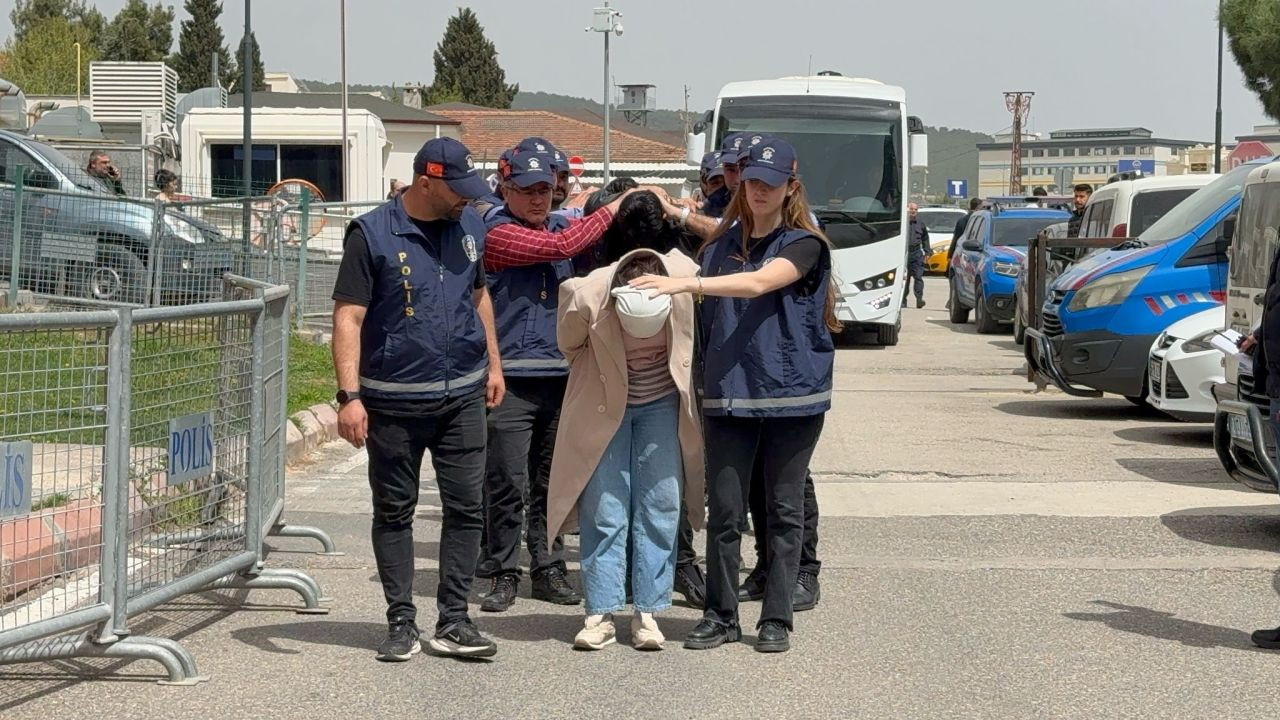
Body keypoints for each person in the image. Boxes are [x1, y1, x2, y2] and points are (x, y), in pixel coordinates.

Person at [630, 138, 837, 654]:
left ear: (791, 187)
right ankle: (720, 616)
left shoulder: (804, 244)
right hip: (728, 396)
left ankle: (776, 618)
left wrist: (686, 286)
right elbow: (701, 319)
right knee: (724, 513)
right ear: (740, 186)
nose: (760, 191)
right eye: (752, 182)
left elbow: (760, 284)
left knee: (782, 510)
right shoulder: (719, 248)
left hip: (791, 400)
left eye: (770, 182)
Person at [330, 137, 504, 662]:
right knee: (395, 512)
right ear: (425, 181)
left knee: (468, 508)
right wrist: (349, 396)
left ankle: (454, 620)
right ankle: (401, 621)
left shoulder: (470, 224)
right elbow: (349, 317)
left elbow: (479, 295)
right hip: (394, 403)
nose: (466, 201)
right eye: (457, 190)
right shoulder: (372, 234)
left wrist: (494, 365)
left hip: (462, 396)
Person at [476, 145, 639, 613]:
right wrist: (613, 206)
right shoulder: (498, 232)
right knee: (507, 482)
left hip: (562, 376)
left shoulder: (566, 225)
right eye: (526, 190)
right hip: (510, 379)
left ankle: (548, 567)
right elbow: (561, 248)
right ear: (505, 189)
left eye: (545, 189)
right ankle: (505, 571)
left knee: (554, 481)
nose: (538, 199)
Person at [547, 227, 705, 651]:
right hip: (604, 404)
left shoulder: (681, 284)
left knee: (661, 504)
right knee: (605, 506)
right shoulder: (589, 296)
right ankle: (599, 612)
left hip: (661, 405)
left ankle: (648, 612)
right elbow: (568, 344)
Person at [904, 202, 931, 308]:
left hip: (916, 254)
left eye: (915, 209)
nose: (913, 211)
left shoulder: (921, 223)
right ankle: (903, 300)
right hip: (905, 253)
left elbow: (925, 238)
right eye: (911, 209)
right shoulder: (903, 222)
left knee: (918, 277)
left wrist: (927, 251)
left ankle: (919, 299)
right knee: (905, 279)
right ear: (907, 210)